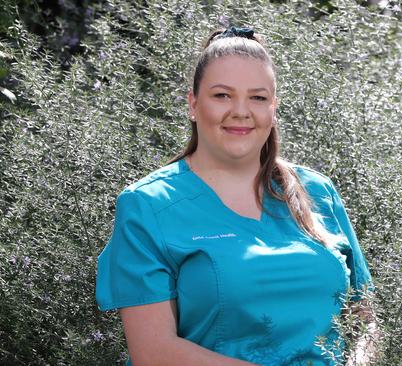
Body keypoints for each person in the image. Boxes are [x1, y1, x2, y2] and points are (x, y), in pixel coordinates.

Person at [95, 26, 381, 366]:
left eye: (257, 98)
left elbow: (366, 321)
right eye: (222, 95)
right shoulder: (149, 205)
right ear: (192, 103)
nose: (241, 111)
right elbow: (154, 352)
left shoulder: (317, 191)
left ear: (273, 109)